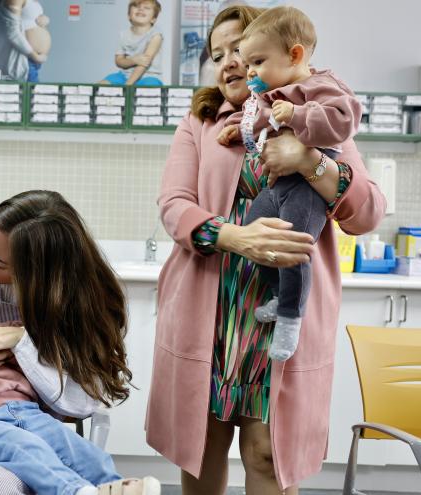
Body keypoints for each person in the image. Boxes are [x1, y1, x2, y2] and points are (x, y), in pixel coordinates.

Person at [148, 5, 386, 495]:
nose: (230, 63)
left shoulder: (316, 117)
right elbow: (174, 205)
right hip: (209, 312)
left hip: (277, 315)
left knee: (266, 452)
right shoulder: (202, 122)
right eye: (218, 55)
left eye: (240, 49)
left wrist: (309, 160)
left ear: (275, 54)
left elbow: (367, 213)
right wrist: (234, 236)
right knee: (201, 447)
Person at [0, 191, 158, 495]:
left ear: (37, 274)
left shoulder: (78, 306)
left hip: (33, 425)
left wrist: (22, 341)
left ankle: (110, 488)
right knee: (5, 473)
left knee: (66, 458)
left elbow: (83, 401)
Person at [215, 5, 362, 360]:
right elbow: (263, 119)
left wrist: (300, 129)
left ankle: (290, 318)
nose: (247, 69)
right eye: (219, 56)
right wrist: (239, 130)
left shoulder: (324, 86)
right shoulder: (273, 95)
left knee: (291, 247)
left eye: (253, 60)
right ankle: (280, 295)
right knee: (256, 229)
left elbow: (345, 119)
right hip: (277, 188)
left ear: (294, 54)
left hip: (306, 189)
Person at [100, 0, 164, 86]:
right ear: (129, 16)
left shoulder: (156, 36)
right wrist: (133, 60)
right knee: (102, 85)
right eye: (136, 6)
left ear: (153, 19)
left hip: (149, 76)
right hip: (124, 75)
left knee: (148, 89)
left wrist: (128, 84)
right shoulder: (123, 34)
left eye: (146, 8)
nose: (141, 9)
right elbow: (119, 61)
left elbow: (144, 64)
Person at [0, 0, 50, 82]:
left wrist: (45, 22)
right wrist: (35, 57)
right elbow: (13, 34)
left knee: (32, 93)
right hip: (25, 61)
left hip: (33, 61)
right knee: (29, 94)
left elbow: (30, 22)